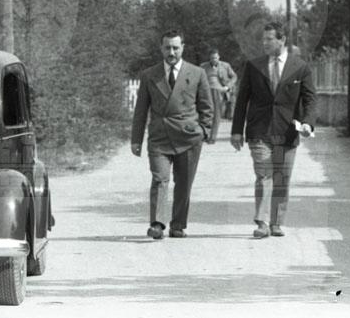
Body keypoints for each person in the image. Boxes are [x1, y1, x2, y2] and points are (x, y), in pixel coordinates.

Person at [230, 22, 316, 238]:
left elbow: (310, 100)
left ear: (282, 40)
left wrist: (307, 123)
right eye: (263, 39)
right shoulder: (253, 66)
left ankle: (276, 222)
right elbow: (242, 100)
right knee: (264, 174)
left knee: (281, 178)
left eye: (269, 39)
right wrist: (237, 130)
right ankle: (262, 222)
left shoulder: (300, 67)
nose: (265, 43)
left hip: (287, 131)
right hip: (259, 130)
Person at [131, 30, 214, 239]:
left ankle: (178, 225)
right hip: (159, 137)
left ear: (182, 48)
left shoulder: (197, 73)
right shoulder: (150, 75)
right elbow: (141, 110)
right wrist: (136, 139)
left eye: (175, 48)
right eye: (167, 47)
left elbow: (207, 106)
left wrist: (203, 131)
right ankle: (157, 224)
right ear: (161, 48)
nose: (171, 52)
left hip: (188, 137)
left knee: (184, 183)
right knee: (160, 178)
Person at [200, 49, 237, 143]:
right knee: (205, 114)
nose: (214, 60)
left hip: (219, 91)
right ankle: (205, 135)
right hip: (206, 92)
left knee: (216, 115)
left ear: (219, 57)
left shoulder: (225, 65)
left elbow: (234, 77)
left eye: (216, 58)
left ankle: (212, 137)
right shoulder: (203, 66)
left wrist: (227, 87)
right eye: (212, 58)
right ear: (209, 58)